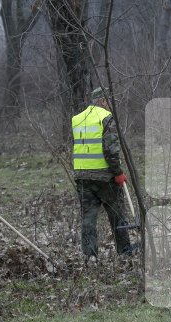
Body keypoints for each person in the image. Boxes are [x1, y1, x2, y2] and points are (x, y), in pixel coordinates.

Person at [72, 87, 137, 263]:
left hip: (82, 176)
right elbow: (111, 150)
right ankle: (124, 253)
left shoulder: (77, 119)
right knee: (117, 215)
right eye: (108, 101)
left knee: (88, 218)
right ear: (102, 100)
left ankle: (90, 256)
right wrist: (118, 172)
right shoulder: (106, 118)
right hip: (105, 177)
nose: (109, 105)